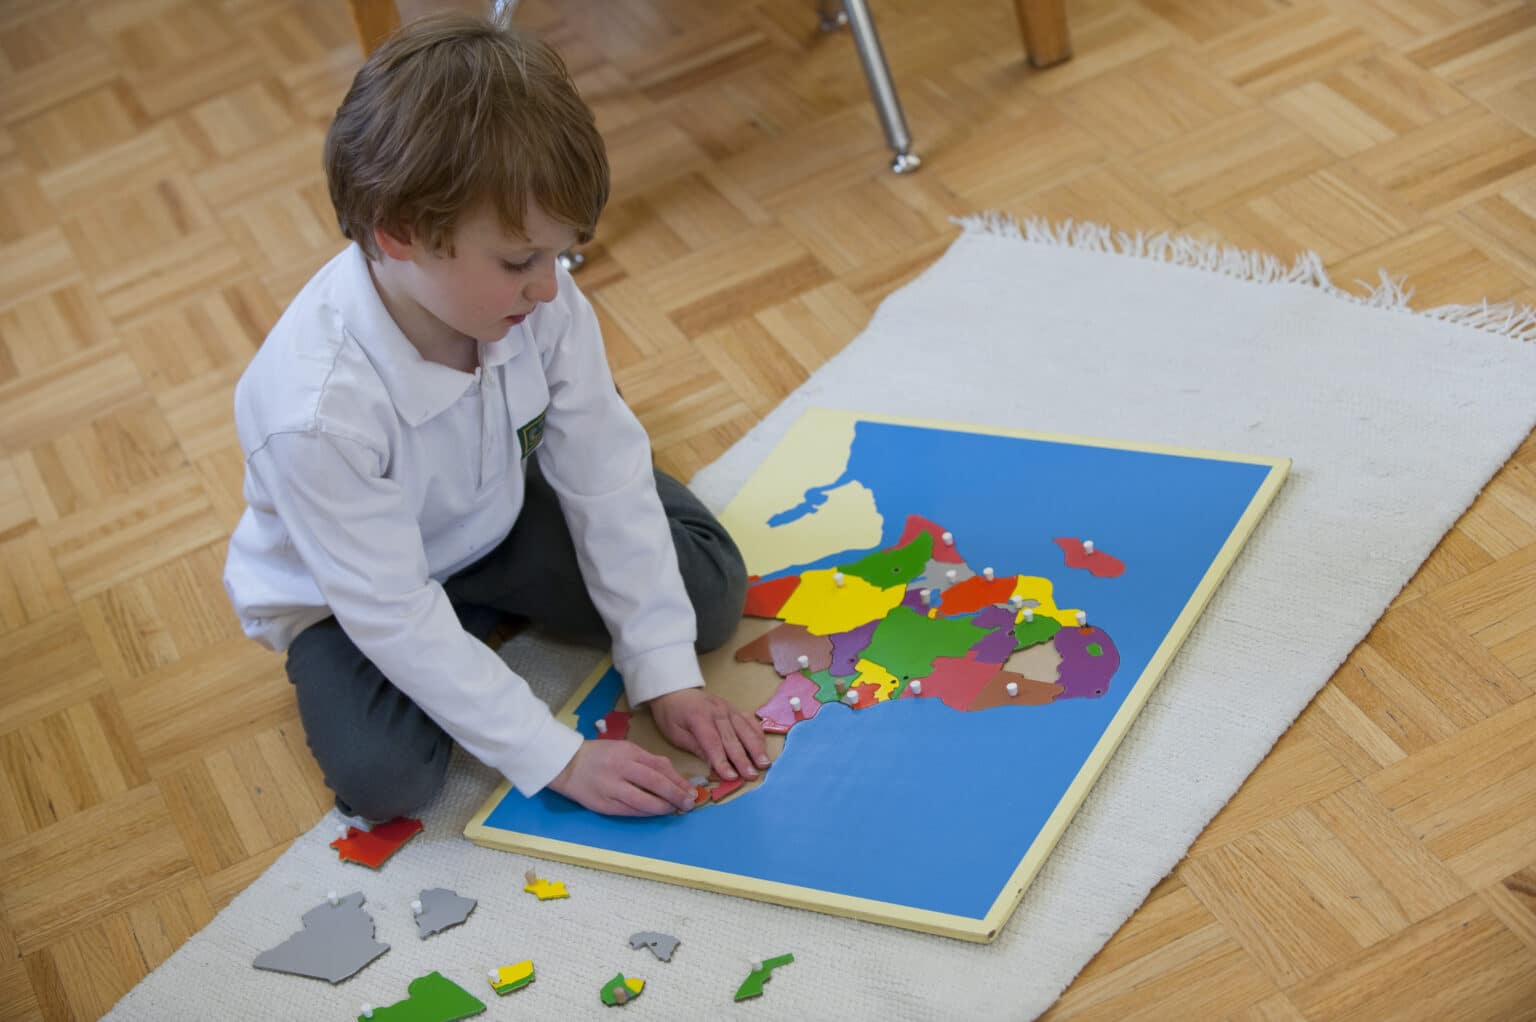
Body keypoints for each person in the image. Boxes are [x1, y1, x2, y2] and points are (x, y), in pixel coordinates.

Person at [222, 12, 767, 822]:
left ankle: (492, 595)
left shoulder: (532, 301)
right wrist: (561, 758)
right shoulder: (312, 414)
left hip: (493, 514)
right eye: (520, 261)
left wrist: (666, 672)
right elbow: (394, 613)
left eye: (560, 255)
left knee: (709, 601)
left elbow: (604, 474)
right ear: (399, 233)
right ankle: (475, 614)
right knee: (386, 781)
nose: (549, 287)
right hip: (350, 595)